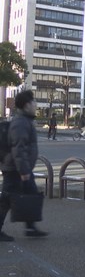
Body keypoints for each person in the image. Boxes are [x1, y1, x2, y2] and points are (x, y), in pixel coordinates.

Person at [0, 90, 48, 241]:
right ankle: (29, 227)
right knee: (6, 201)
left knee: (31, 194)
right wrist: (24, 171)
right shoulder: (21, 123)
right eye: (33, 102)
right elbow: (18, 148)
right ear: (27, 105)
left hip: (20, 169)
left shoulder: (25, 121)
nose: (36, 105)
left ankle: (31, 227)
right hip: (15, 169)